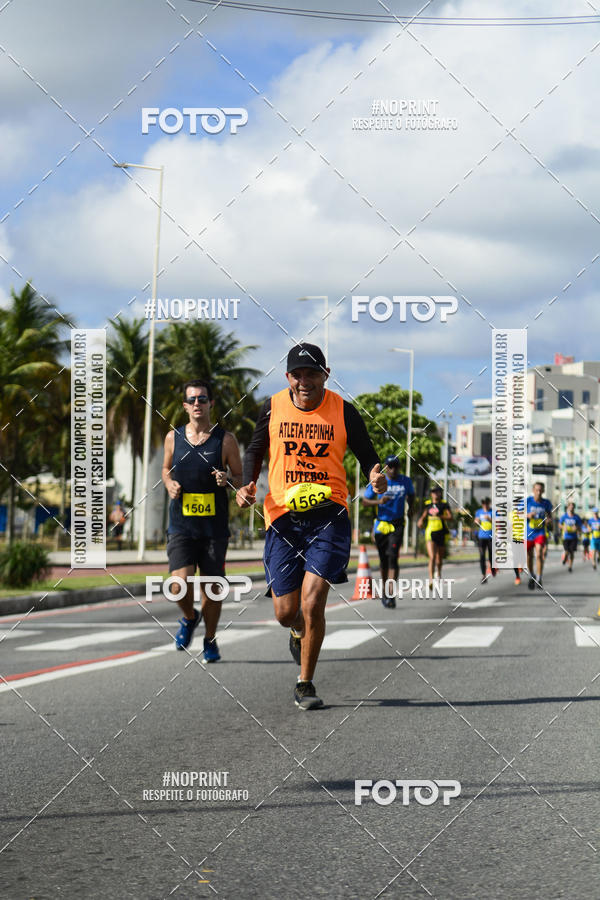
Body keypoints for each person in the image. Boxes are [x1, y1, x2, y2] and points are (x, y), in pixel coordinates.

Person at [236, 343, 387, 711]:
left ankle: (305, 682)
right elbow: (255, 450)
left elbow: (368, 456)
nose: (304, 381)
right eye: (297, 374)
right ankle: (296, 631)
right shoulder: (272, 407)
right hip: (282, 517)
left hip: (329, 513)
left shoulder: (343, 411)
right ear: (288, 376)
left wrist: (376, 477)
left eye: (312, 373)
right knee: (286, 611)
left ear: (326, 374)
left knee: (313, 598)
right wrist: (246, 483)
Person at [162, 379, 243, 659]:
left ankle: (210, 638)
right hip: (181, 526)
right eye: (192, 399)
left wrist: (227, 479)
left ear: (211, 404)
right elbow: (165, 469)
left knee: (212, 587)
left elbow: (239, 478)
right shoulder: (173, 437)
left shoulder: (226, 440)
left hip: (213, 529)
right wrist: (169, 483)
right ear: (185, 406)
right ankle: (188, 617)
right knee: (177, 585)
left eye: (203, 399)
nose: (198, 404)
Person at [362, 455, 414, 608]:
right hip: (381, 524)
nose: (393, 469)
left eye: (396, 466)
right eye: (390, 466)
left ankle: (391, 593)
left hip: (397, 524)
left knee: (393, 557)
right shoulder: (379, 481)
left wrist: (411, 507)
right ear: (385, 467)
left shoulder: (405, 481)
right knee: (384, 559)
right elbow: (365, 502)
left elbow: (411, 495)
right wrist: (379, 501)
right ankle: (385, 592)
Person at [417, 485, 452, 586]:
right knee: (432, 557)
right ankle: (431, 579)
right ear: (431, 494)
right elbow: (423, 516)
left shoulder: (444, 504)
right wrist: (420, 521)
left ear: (440, 493)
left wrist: (440, 516)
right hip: (430, 532)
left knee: (439, 558)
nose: (435, 493)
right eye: (433, 492)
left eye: (437, 492)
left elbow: (450, 517)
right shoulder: (428, 504)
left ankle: (439, 574)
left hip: (441, 532)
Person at [525, 482, 553, 589]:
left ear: (543, 491)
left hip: (540, 532)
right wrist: (527, 515)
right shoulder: (528, 501)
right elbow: (516, 514)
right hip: (528, 532)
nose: (539, 492)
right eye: (537, 490)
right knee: (529, 556)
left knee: (539, 553)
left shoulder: (546, 503)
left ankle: (539, 578)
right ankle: (531, 575)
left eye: (541, 490)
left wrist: (548, 521)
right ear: (533, 490)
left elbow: (549, 516)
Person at [474, 497, 496, 584]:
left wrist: (490, 519)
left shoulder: (493, 512)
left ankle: (493, 569)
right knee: (482, 556)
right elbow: (476, 521)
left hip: (491, 537)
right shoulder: (479, 512)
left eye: (486, 503)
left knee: (491, 555)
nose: (485, 505)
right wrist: (476, 521)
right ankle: (483, 575)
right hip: (481, 537)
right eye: (483, 503)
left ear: (489, 503)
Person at [559, 501, 582, 573]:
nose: (571, 508)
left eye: (573, 507)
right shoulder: (564, 516)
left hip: (574, 537)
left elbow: (580, 526)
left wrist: (577, 528)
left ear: (574, 508)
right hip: (566, 537)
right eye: (570, 507)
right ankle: (565, 558)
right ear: (568, 507)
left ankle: (570, 566)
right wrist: (563, 527)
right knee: (566, 551)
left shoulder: (576, 517)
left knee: (572, 552)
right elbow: (559, 524)